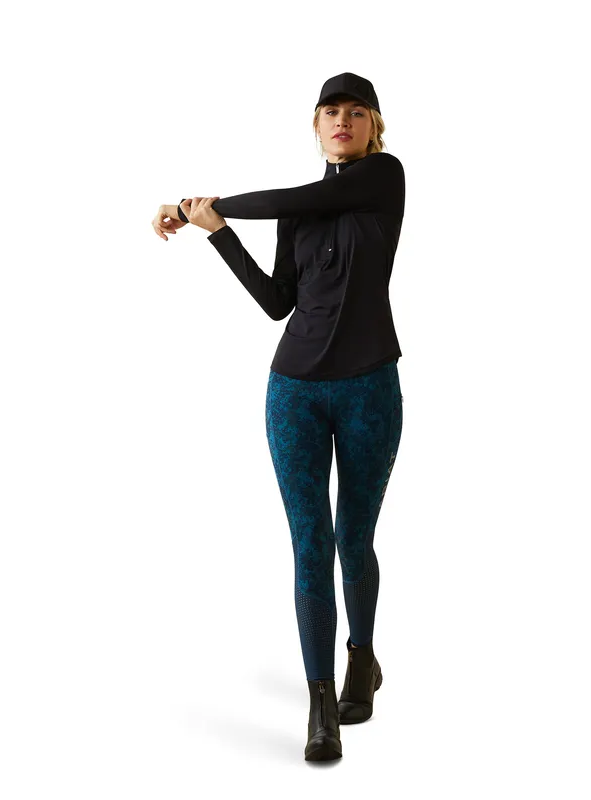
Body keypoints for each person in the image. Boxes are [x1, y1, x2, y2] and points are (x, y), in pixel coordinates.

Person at [151, 72, 405, 762]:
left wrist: (196, 205)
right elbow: (275, 303)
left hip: (369, 388)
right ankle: (321, 704)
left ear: (374, 127)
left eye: (357, 112)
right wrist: (217, 232)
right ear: (316, 125)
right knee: (309, 544)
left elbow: (300, 196)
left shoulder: (384, 178)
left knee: (354, 537)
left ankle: (362, 659)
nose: (343, 120)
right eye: (331, 111)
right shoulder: (295, 214)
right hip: (294, 392)